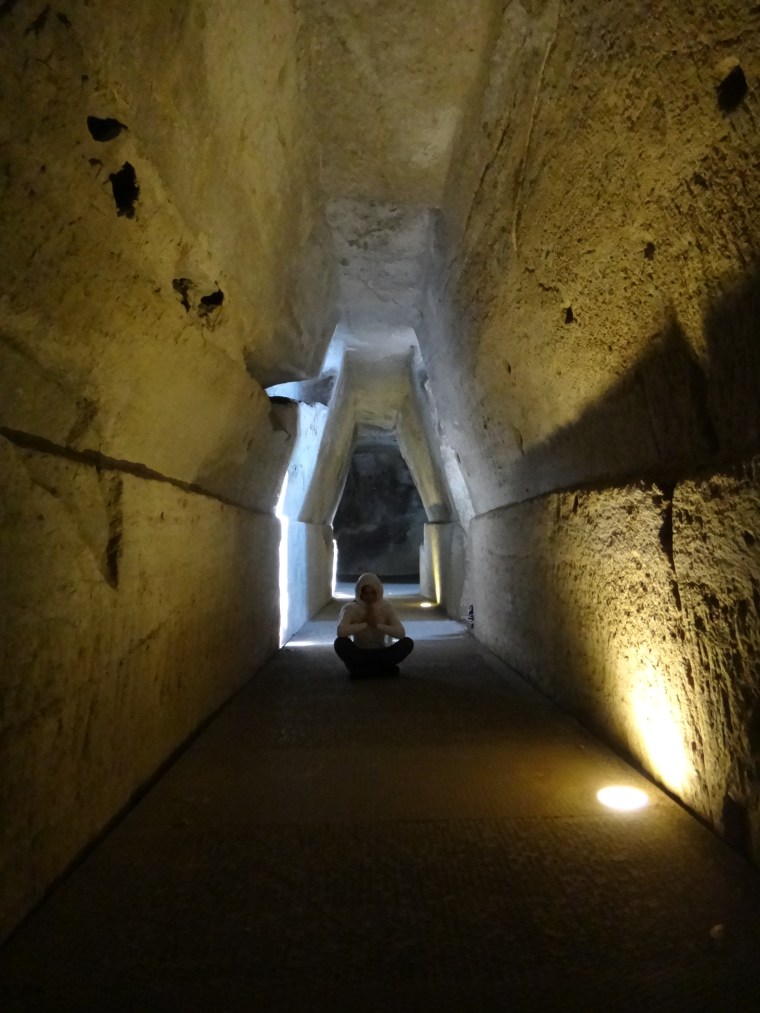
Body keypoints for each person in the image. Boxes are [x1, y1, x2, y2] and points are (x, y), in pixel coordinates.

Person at [334, 572, 414, 677]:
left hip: (380, 652)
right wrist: (366, 623)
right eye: (365, 593)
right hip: (360, 652)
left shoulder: (385, 607)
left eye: (373, 593)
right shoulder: (351, 608)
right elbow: (341, 631)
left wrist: (377, 625)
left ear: (378, 592)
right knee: (340, 643)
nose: (369, 597)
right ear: (359, 593)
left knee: (407, 643)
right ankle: (381, 670)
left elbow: (401, 633)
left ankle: (364, 671)